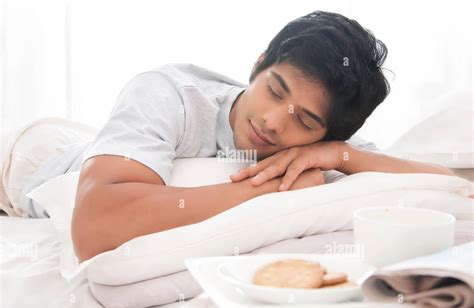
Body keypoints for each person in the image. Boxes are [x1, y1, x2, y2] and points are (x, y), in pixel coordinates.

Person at [0, 10, 454, 262]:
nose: (276, 122)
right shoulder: (171, 93)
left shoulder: (320, 148)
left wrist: (342, 154)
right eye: (275, 90)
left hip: (117, 143)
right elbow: (95, 228)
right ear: (258, 64)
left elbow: (448, 183)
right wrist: (272, 190)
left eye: (305, 122)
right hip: (29, 158)